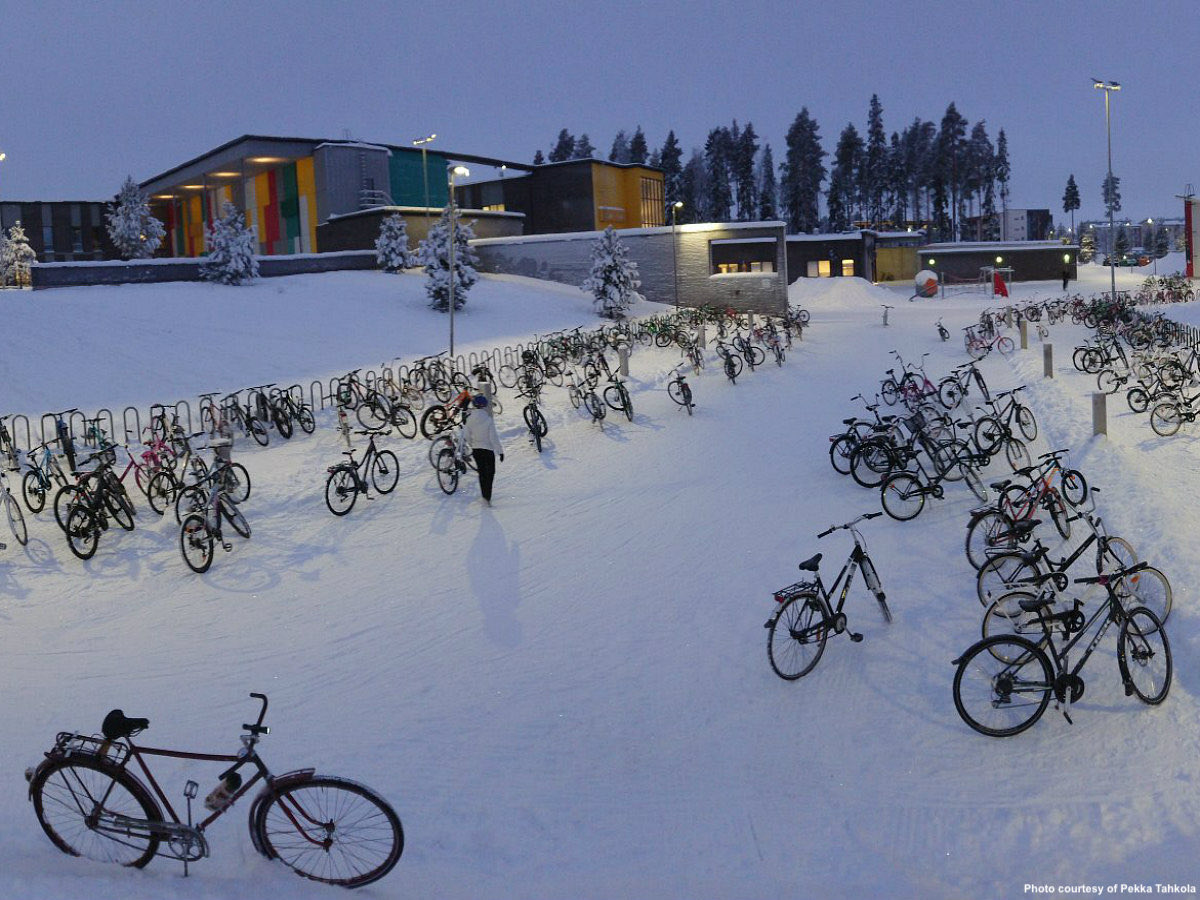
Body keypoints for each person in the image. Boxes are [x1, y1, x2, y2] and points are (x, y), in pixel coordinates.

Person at [463, 394, 504, 506]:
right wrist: (500, 451)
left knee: (481, 473)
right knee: (490, 473)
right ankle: (487, 496)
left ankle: (484, 496)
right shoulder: (488, 419)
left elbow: (466, 435)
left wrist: (472, 444)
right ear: (484, 405)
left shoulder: (469, 419)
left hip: (476, 450)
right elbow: (493, 437)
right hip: (488, 450)